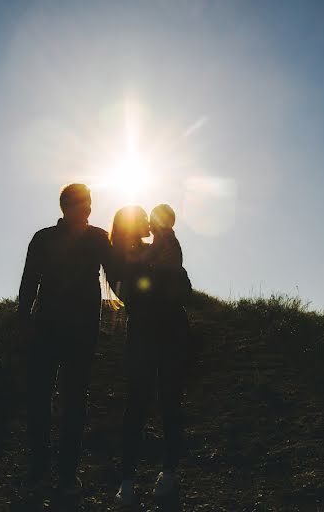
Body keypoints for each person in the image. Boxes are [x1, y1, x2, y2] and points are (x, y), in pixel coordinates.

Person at [17, 183, 113, 496]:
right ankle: (39, 466)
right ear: (67, 205)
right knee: (39, 398)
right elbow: (29, 281)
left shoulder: (99, 237)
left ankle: (67, 473)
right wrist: (24, 322)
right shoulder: (43, 238)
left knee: (75, 398)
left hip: (83, 330)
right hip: (46, 327)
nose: (88, 207)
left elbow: (116, 273)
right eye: (82, 202)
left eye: (89, 202)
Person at [108, 205, 191, 505]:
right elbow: (127, 291)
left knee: (169, 399)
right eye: (142, 218)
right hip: (144, 331)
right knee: (137, 404)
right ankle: (128, 479)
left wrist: (169, 268)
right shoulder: (118, 256)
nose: (148, 222)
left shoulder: (160, 245)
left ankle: (168, 471)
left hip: (170, 328)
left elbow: (180, 282)